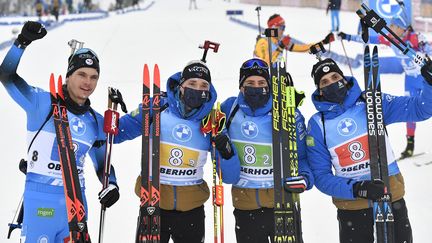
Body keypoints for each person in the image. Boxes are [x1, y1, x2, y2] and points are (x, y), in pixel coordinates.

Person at [0, 21, 120, 242]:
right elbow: (6, 76)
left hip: (76, 206)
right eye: (82, 74)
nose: (88, 82)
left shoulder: (95, 120)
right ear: (69, 75)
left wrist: (111, 183)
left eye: (94, 77)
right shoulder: (41, 103)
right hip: (40, 204)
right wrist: (21, 43)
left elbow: (103, 164)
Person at [306, 57, 432, 243]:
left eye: (335, 77)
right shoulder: (318, 124)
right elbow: (321, 177)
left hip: (390, 197)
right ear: (320, 91)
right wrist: (358, 189)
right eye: (324, 82)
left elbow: (419, 109)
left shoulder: (371, 102)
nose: (332, 83)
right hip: (352, 209)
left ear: (344, 79)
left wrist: (429, 84)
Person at [115, 60, 239, 243]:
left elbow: (230, 176)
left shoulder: (212, 121)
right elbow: (116, 133)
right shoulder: (157, 108)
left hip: (192, 211)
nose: (197, 89)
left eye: (203, 85)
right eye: (192, 84)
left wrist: (227, 152)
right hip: (153, 204)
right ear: (181, 86)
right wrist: (110, 117)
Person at [219, 57, 314, 243]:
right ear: (241, 86)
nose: (256, 87)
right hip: (245, 205)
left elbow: (301, 156)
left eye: (262, 82)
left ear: (269, 86)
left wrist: (305, 178)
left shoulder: (288, 112)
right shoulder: (229, 109)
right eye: (250, 83)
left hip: (282, 201)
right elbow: (200, 115)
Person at [338, 15, 432, 159]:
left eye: (394, 26)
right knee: (411, 112)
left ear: (402, 28)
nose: (391, 28)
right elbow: (369, 39)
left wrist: (424, 50)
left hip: (425, 80)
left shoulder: (415, 37)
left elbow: (429, 52)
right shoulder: (391, 40)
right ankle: (410, 145)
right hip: (410, 81)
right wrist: (348, 37)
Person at [254, 14, 335, 64]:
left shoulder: (279, 41)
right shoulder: (263, 42)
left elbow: (305, 48)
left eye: (284, 27)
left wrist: (324, 42)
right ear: (273, 27)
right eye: (281, 27)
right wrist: (281, 47)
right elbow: (265, 65)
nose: (283, 30)